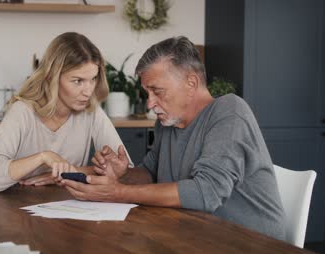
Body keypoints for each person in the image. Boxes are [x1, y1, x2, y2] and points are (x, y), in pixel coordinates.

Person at [61, 36, 286, 240]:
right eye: (147, 93)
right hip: (197, 238)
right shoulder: (167, 123)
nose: (150, 103)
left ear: (191, 83)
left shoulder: (230, 112)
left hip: (251, 247)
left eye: (157, 91)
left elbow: (205, 193)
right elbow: (151, 174)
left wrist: (117, 192)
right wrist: (123, 174)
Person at [0, 32, 133, 193]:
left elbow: (125, 171)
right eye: (78, 81)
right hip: (17, 209)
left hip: (70, 209)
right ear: (52, 76)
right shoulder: (22, 111)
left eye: (93, 79)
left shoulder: (91, 111)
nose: (88, 91)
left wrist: (65, 173)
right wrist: (44, 157)